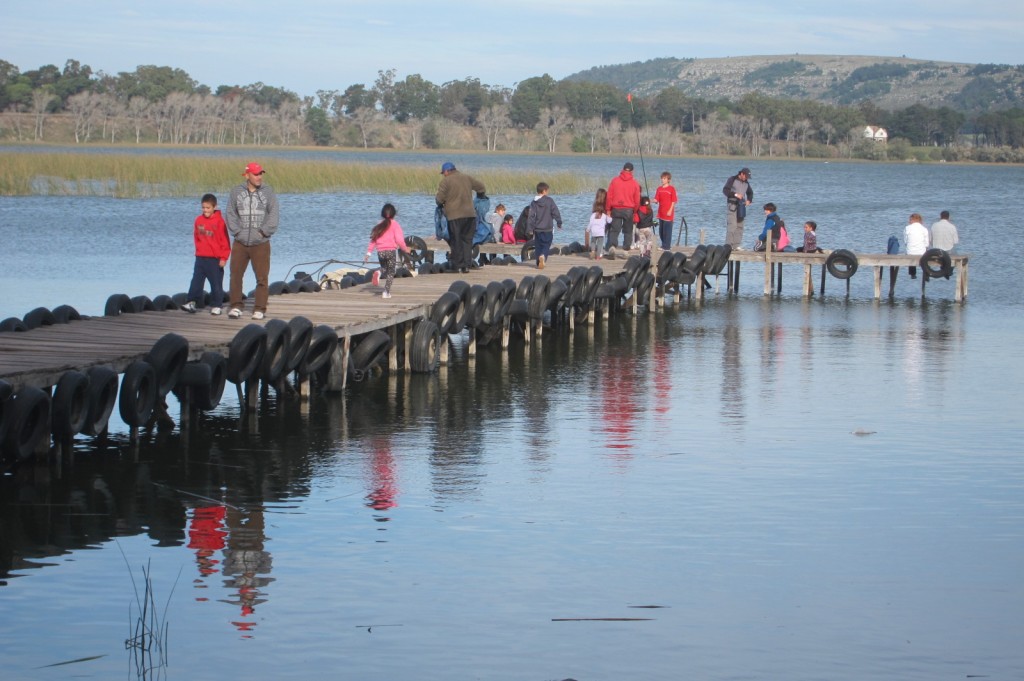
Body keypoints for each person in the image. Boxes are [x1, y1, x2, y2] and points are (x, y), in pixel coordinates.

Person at [225, 162, 278, 320]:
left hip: (261, 243)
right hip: (240, 242)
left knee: (262, 277)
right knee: (235, 275)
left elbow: (274, 215)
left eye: (261, 173)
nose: (259, 176)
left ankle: (260, 308)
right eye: (256, 174)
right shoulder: (236, 192)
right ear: (247, 175)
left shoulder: (268, 192)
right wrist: (238, 232)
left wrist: (262, 233)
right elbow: (230, 213)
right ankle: (235, 306)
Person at [183, 193, 230, 315]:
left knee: (216, 283)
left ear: (214, 207)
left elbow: (225, 242)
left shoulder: (219, 221)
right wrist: (198, 251)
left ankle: (217, 305)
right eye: (203, 208)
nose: (205, 210)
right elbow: (196, 237)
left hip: (214, 259)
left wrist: (223, 258)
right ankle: (191, 302)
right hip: (200, 257)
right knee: (196, 281)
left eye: (208, 208)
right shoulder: (198, 220)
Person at [435, 161, 486, 274]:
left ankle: (457, 266)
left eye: (443, 172)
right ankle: (466, 266)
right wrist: (480, 196)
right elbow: (481, 187)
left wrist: (440, 205)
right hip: (470, 215)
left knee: (456, 241)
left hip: (455, 216)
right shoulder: (466, 177)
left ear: (447, 171)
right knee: (467, 241)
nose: (443, 175)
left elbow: (439, 199)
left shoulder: (446, 181)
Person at [363, 203, 410, 299]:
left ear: (382, 214)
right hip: (390, 251)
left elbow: (373, 240)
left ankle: (379, 272)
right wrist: (405, 249)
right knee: (391, 271)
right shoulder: (395, 225)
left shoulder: (379, 225)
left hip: (380, 252)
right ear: (394, 214)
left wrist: (368, 253)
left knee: (384, 267)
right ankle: (386, 292)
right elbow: (399, 240)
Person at [605, 162, 641, 250]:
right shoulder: (635, 183)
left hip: (616, 209)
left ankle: (612, 246)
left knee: (614, 230)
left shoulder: (615, 181)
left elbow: (609, 196)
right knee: (628, 231)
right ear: (632, 171)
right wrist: (635, 211)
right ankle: (626, 249)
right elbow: (637, 200)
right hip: (629, 210)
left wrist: (608, 209)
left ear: (623, 169)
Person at [527, 182, 563, 269]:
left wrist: (530, 229)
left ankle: (538, 262)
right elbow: (555, 212)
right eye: (547, 191)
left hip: (537, 229)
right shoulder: (549, 201)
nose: (548, 192)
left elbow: (531, 216)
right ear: (544, 191)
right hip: (548, 228)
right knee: (547, 244)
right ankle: (543, 256)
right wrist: (559, 222)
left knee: (538, 245)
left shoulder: (534, 202)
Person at [722, 167, 753, 249]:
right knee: (732, 226)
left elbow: (750, 193)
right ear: (741, 174)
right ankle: (728, 245)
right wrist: (735, 195)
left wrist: (749, 200)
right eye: (746, 176)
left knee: (740, 226)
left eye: (747, 177)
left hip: (741, 207)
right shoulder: (732, 179)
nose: (746, 178)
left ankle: (736, 246)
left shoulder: (746, 183)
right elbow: (725, 190)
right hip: (732, 206)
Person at [653, 171, 677, 249]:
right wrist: (650, 201)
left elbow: (674, 201)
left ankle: (667, 247)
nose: (662, 180)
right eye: (662, 178)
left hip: (668, 214)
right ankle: (663, 245)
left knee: (668, 232)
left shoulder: (671, 189)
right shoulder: (659, 189)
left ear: (668, 180)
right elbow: (656, 200)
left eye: (664, 178)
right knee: (661, 232)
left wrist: (670, 210)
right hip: (661, 213)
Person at [587, 190, 611, 260]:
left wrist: (588, 229)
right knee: (601, 241)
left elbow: (591, 222)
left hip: (594, 229)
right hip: (602, 226)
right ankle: (599, 254)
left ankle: (593, 251)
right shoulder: (605, 206)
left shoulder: (595, 205)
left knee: (593, 241)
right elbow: (609, 219)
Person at [904, 212, 929, 279]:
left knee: (910, 253)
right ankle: (926, 272)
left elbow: (905, 241)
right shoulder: (924, 229)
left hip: (910, 252)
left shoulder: (907, 228)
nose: (909, 221)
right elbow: (927, 244)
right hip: (922, 253)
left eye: (909, 220)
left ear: (912, 219)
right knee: (926, 251)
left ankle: (912, 273)